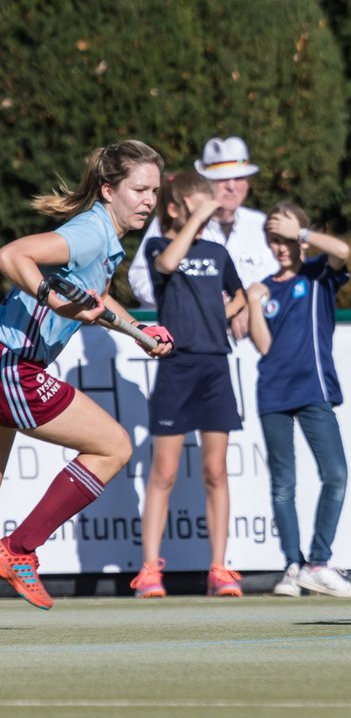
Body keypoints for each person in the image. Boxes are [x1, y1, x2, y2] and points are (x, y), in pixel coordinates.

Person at [0, 141, 174, 609]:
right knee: (114, 445)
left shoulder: (105, 240)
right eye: (139, 189)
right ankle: (17, 550)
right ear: (108, 189)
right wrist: (50, 297)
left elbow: (94, 297)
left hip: (9, 363)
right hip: (12, 365)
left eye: (154, 191)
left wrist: (138, 331)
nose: (148, 201)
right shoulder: (91, 233)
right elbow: (11, 254)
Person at [129, 172, 246, 598]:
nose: (208, 210)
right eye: (196, 204)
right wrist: (197, 219)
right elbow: (164, 267)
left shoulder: (217, 252)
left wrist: (228, 311)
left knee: (215, 471)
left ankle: (219, 568)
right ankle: (149, 571)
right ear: (176, 209)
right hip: (176, 368)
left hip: (215, 367)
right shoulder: (161, 246)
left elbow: (239, 294)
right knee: (165, 471)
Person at [244, 202, 351, 597]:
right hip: (273, 393)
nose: (280, 247)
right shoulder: (267, 286)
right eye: (273, 240)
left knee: (336, 475)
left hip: (313, 391)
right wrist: (253, 302)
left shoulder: (317, 274)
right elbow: (264, 346)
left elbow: (343, 252)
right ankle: (294, 568)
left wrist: (302, 233)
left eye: (285, 238)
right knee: (283, 484)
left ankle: (317, 562)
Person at [127, 136, 277, 339]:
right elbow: (140, 279)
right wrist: (191, 305)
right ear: (206, 182)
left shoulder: (261, 225)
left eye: (240, 178)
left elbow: (279, 281)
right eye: (223, 179)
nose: (232, 186)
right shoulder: (171, 223)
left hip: (248, 348)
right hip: (180, 339)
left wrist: (253, 305)